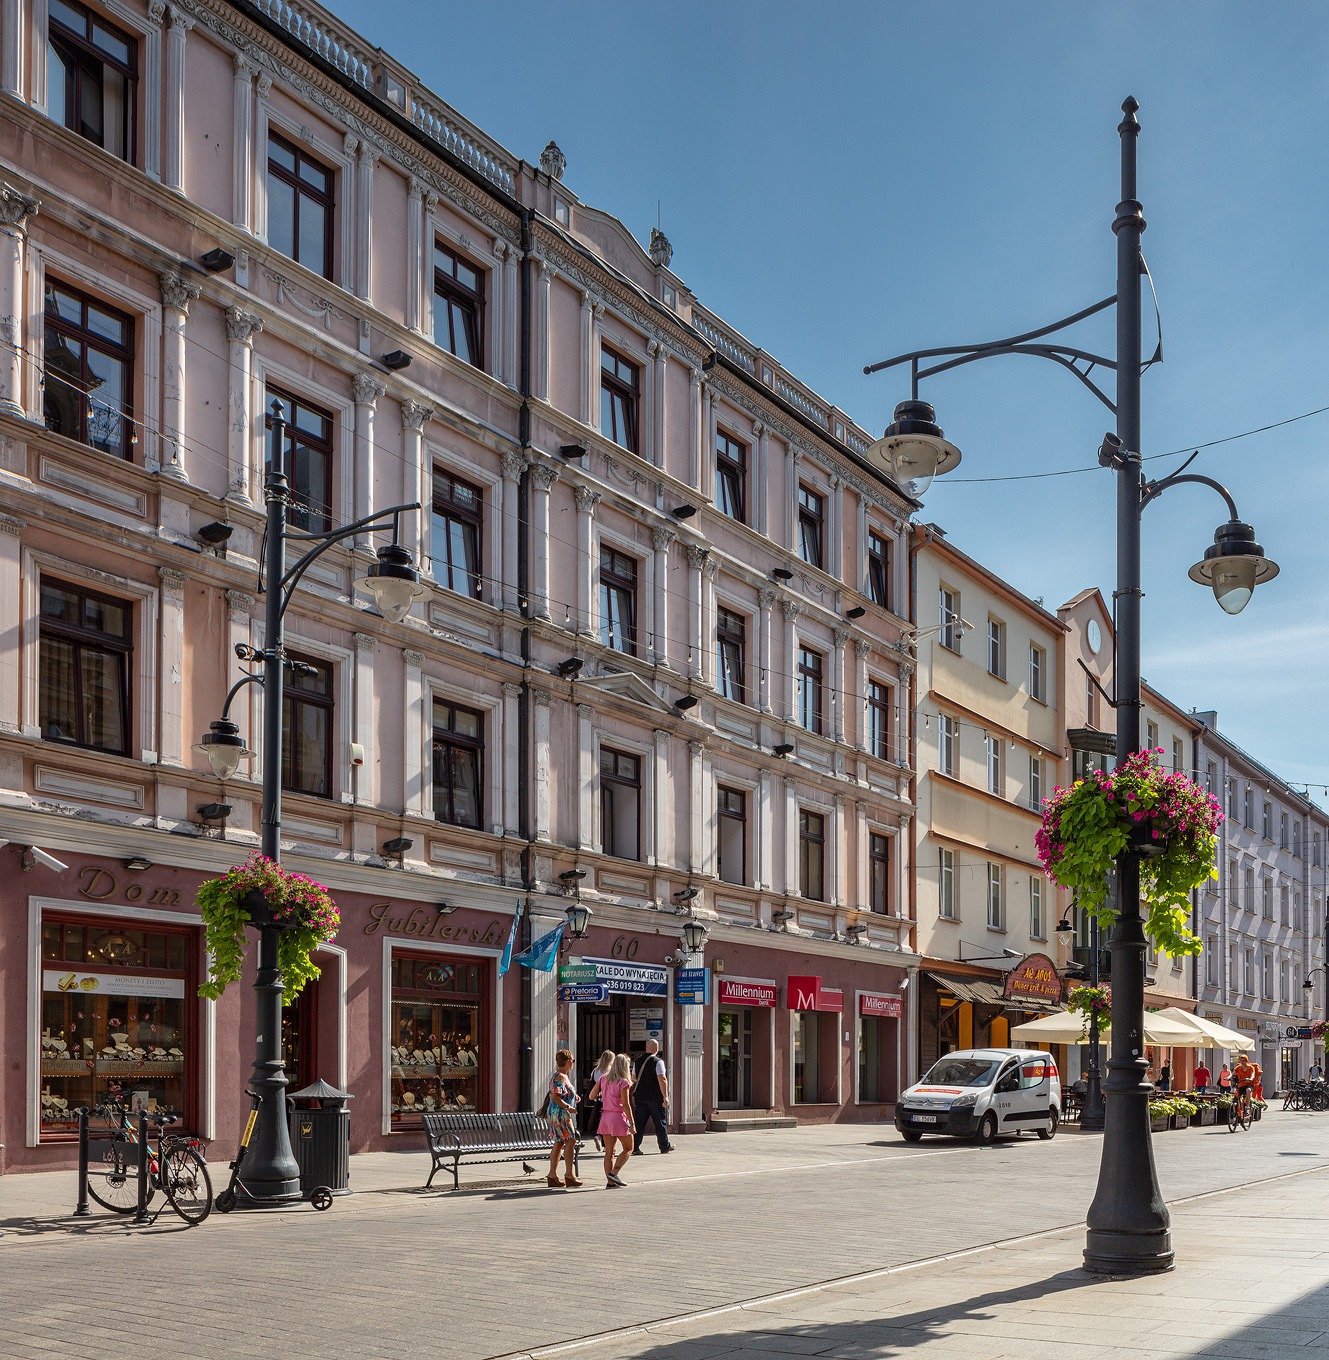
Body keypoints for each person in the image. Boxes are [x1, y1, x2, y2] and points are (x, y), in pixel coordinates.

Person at [591, 1053, 635, 1188]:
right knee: (629, 1148)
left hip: (605, 1117)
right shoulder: (623, 1082)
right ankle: (614, 1173)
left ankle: (610, 1182)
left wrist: (604, 1094)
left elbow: (591, 1096)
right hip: (618, 1117)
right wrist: (632, 1123)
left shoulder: (603, 1079)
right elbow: (626, 1105)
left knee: (609, 1152)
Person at [544, 1049, 581, 1189]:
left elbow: (562, 1094)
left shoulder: (562, 1076)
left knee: (559, 1142)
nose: (573, 1063)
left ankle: (553, 1175)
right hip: (560, 1114)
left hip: (558, 1113)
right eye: (573, 1061)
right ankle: (569, 1175)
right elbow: (554, 1096)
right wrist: (568, 1107)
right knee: (571, 1140)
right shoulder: (560, 1077)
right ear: (567, 1061)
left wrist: (573, 1097)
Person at [633, 1038, 674, 1155]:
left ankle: (635, 1147)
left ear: (646, 1048)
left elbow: (634, 1078)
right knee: (660, 1123)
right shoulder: (658, 1061)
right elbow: (662, 1079)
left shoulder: (638, 1061)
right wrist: (665, 1096)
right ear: (657, 1048)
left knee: (639, 1123)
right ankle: (664, 1147)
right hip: (655, 1098)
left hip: (641, 1097)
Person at [584, 1049, 614, 1151]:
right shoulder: (611, 1071)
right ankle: (605, 1144)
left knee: (599, 1120)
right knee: (608, 1122)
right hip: (609, 1100)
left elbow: (592, 1085)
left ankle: (599, 1136)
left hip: (598, 1099)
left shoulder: (595, 1071)